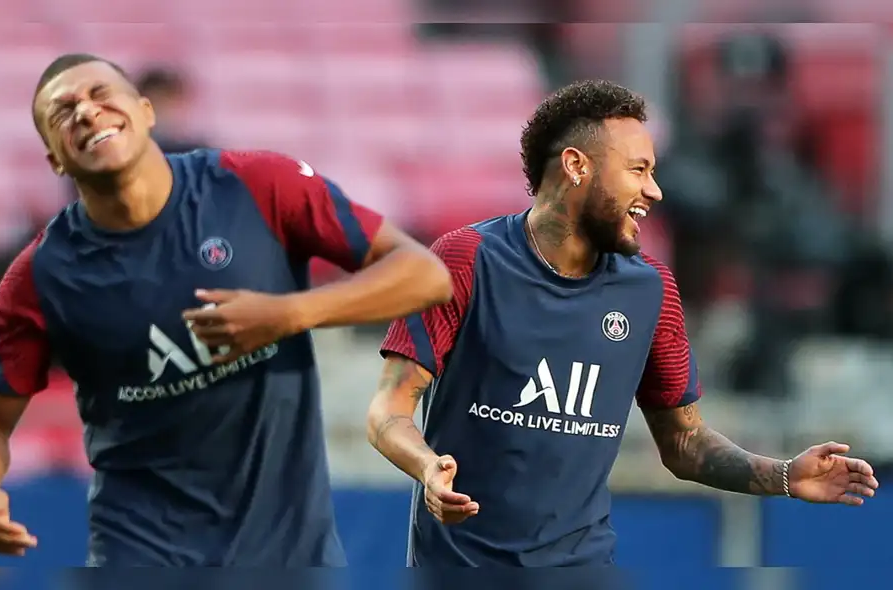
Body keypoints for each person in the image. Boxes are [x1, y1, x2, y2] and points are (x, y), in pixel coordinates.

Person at [0, 53, 453, 567]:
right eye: (63, 112)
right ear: (55, 159)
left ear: (147, 111)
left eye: (100, 94)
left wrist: (289, 314)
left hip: (289, 558)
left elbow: (427, 275)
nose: (85, 112)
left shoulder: (255, 186)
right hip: (139, 557)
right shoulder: (40, 276)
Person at [367, 79, 879, 567]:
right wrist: (427, 467)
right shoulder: (465, 260)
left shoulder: (650, 289)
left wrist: (784, 476)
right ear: (576, 166)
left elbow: (684, 443)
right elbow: (387, 412)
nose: (654, 191)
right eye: (637, 170)